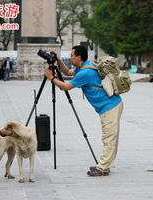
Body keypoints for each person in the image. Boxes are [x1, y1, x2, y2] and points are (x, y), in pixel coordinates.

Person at [44, 45, 123, 176]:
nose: (70, 57)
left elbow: (65, 86)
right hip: (111, 105)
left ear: (78, 57)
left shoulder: (85, 72)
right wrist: (58, 60)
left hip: (110, 106)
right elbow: (67, 73)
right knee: (111, 137)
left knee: (108, 137)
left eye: (71, 55)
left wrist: (51, 78)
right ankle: (105, 165)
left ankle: (102, 168)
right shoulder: (86, 66)